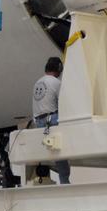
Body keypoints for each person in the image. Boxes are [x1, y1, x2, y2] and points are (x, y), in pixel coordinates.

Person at [32, 56, 70, 184]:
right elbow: (65, 103)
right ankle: (65, 180)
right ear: (59, 69)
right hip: (52, 119)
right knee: (61, 149)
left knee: (55, 150)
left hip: (39, 122)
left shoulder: (38, 82)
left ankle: (63, 179)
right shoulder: (56, 83)